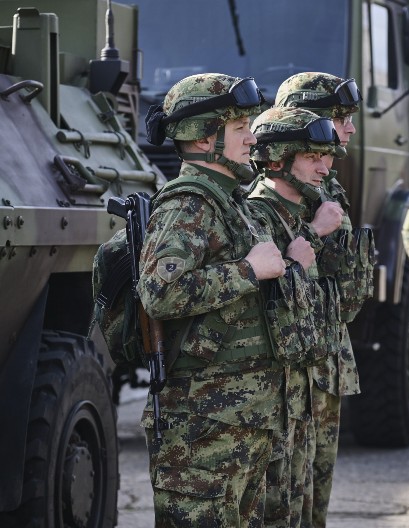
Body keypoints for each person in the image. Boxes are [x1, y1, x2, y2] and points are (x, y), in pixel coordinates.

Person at [137, 73, 314, 526]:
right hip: (202, 427)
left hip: (241, 420)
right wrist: (248, 270)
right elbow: (160, 291)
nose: (252, 137)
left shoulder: (229, 202)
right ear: (202, 139)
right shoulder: (188, 205)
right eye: (239, 129)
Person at [273, 72, 369, 528]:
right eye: (341, 118)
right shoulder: (278, 197)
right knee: (289, 498)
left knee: (315, 494)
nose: (349, 129)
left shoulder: (325, 189)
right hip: (297, 370)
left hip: (325, 356)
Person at [247, 106, 344, 527]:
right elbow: (261, 304)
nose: (324, 168)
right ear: (277, 160)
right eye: (312, 157)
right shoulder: (257, 215)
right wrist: (311, 237)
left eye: (326, 156)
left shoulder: (299, 212)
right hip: (270, 398)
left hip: (301, 393)